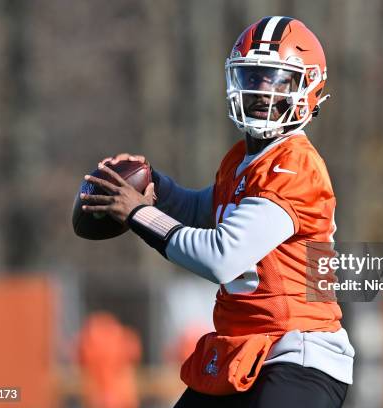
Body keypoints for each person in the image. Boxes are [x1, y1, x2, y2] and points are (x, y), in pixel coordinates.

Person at [80, 16, 354, 408]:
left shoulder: (295, 165)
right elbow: (202, 208)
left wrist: (139, 214)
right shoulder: (242, 159)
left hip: (297, 353)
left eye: (277, 80)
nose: (262, 91)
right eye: (254, 77)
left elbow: (222, 256)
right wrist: (153, 186)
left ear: (308, 87)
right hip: (242, 350)